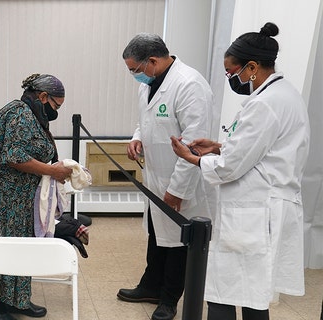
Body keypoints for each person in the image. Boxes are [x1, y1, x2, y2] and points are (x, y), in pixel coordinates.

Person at [171, 22, 310, 320]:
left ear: (251, 67)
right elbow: (264, 151)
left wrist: (193, 158)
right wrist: (219, 146)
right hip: (264, 206)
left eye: (231, 73)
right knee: (251, 293)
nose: (231, 79)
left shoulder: (266, 104)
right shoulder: (284, 95)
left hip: (255, 210)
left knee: (225, 290)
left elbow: (231, 167)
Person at [117, 33, 219, 320]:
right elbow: (145, 120)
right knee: (156, 233)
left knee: (178, 241)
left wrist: (177, 190)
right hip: (156, 175)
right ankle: (150, 286)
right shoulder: (150, 81)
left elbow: (193, 142)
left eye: (135, 69)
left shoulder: (190, 85)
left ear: (152, 61)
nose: (134, 75)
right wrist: (137, 138)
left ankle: (169, 298)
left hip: (182, 180)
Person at [0, 73, 72, 320]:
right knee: (4, 245)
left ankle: (17, 300)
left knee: (20, 242)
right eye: (55, 106)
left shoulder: (30, 113)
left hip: (14, 194)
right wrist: (53, 171)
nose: (55, 112)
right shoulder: (20, 114)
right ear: (43, 96)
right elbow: (14, 156)